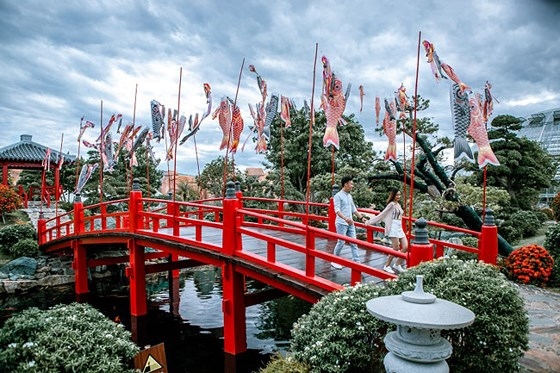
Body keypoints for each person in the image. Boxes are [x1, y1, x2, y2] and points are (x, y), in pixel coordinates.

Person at [366, 188, 408, 274]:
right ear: (393, 195)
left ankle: (397, 264)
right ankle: (387, 265)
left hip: (399, 227)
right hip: (393, 227)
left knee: (405, 247)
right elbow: (382, 215)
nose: (398, 196)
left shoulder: (398, 204)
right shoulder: (391, 204)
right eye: (397, 195)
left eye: (399, 195)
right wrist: (369, 222)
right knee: (395, 248)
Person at [331, 176, 368, 269]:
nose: (352, 186)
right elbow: (337, 210)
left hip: (350, 223)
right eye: (351, 184)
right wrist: (345, 218)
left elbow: (353, 209)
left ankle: (357, 262)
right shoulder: (338, 196)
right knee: (341, 242)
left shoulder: (349, 196)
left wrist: (361, 218)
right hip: (341, 223)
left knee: (354, 242)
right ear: (346, 184)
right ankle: (334, 260)